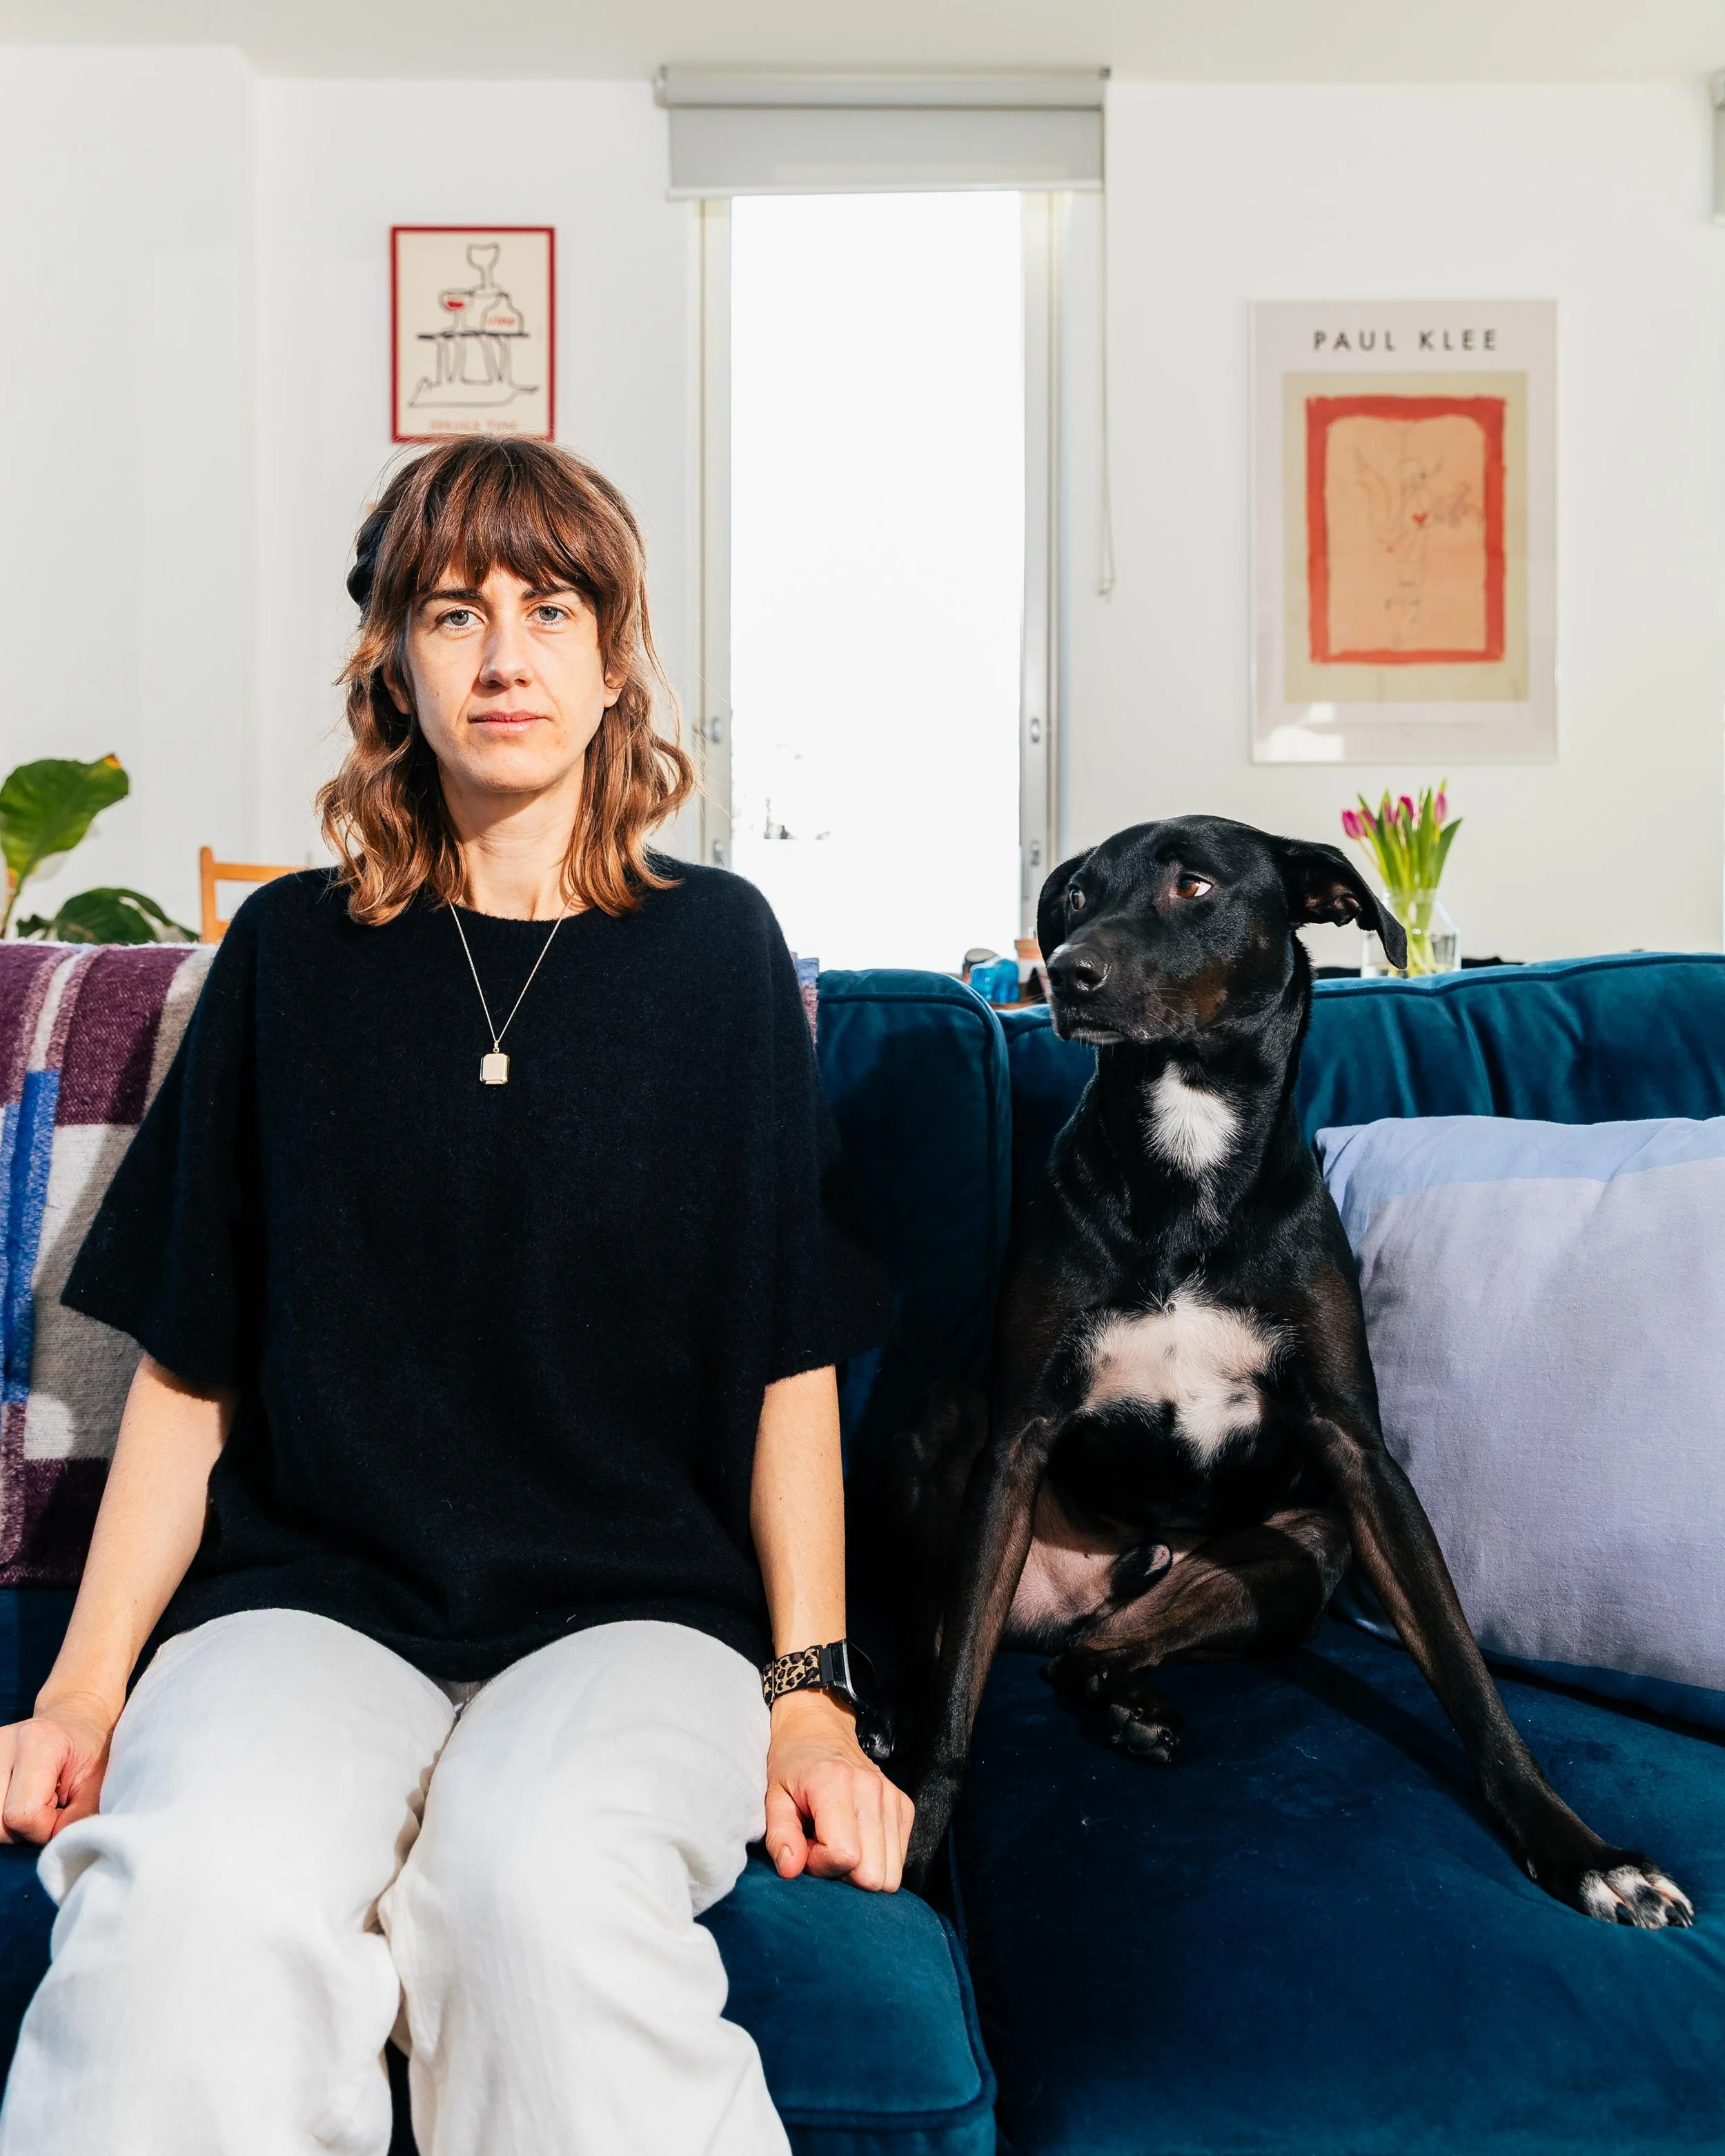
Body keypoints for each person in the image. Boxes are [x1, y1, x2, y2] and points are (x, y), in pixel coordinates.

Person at [0, 437, 909, 2156]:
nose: (503, 655)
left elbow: (785, 1357)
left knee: (533, 1887)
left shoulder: (719, 953)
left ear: (614, 655)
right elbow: (189, 1376)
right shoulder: (286, 955)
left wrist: (809, 1688)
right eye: (452, 610)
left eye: (548, 608)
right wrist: (82, 1689)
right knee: (190, 1896)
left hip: (641, 1626)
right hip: (307, 1615)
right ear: (393, 668)